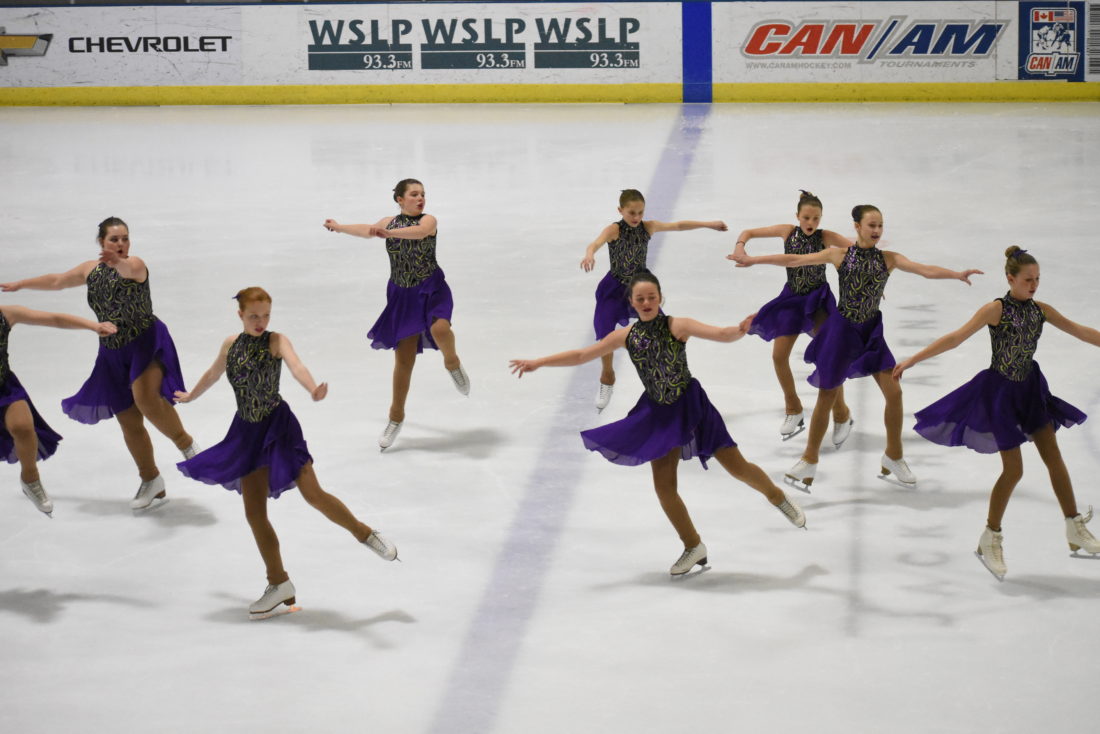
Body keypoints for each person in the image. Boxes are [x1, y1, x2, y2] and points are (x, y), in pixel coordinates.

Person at [510, 272, 805, 577]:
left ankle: (778, 497)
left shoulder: (678, 325)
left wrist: (741, 329)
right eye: (640, 298)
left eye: (652, 297)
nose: (647, 302)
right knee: (664, 488)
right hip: (659, 414)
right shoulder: (626, 336)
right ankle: (693, 545)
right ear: (631, 302)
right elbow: (583, 354)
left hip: (692, 407)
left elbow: (721, 334)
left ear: (660, 298)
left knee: (737, 467)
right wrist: (539, 362)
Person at [174, 287, 398, 620]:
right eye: (253, 316)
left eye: (265, 315)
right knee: (254, 513)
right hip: (247, 432)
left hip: (278, 429)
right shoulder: (230, 344)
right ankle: (278, 583)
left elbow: (297, 366)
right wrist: (192, 394)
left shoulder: (276, 341)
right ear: (240, 315)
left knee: (314, 494)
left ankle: (365, 533)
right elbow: (213, 373)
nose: (260, 322)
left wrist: (312, 388)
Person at [730, 205, 982, 490]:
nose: (877, 231)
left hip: (871, 333)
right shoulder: (839, 255)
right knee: (827, 395)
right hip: (842, 332)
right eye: (871, 225)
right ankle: (809, 459)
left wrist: (956, 274)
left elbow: (924, 270)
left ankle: (894, 456)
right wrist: (753, 260)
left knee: (894, 393)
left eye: (880, 226)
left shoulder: (889, 259)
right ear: (857, 227)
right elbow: (794, 259)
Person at [893, 247, 1099, 580]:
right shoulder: (996, 309)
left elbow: (1080, 331)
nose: (1034, 285)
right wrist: (912, 360)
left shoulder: (1041, 311)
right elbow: (955, 338)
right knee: (1014, 470)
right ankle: (990, 536)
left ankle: (1073, 525)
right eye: (1028, 279)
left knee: (1054, 457)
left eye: (1037, 279)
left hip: (1031, 390)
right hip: (1001, 395)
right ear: (1010, 279)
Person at [0, 217, 197, 511]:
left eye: (125, 238)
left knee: (146, 399)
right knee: (128, 420)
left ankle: (186, 445)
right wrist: (20, 284)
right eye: (114, 239)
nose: (121, 244)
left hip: (144, 342)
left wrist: (117, 261)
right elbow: (57, 281)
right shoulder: (90, 270)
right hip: (112, 351)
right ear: (101, 242)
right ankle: (151, 479)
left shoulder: (135, 264)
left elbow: (127, 268)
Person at [324, 179, 467, 450]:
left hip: (431, 288)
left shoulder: (428, 221)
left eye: (422, 194)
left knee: (439, 329)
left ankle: (452, 362)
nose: (420, 198)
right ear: (400, 199)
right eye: (414, 194)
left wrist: (388, 233)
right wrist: (340, 227)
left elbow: (420, 233)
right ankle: (396, 417)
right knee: (404, 360)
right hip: (402, 295)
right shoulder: (388, 223)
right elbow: (367, 230)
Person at [580, 188, 727, 412]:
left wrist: (708, 224)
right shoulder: (614, 230)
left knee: (661, 333)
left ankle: (667, 379)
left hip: (640, 288)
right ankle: (607, 375)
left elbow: (678, 226)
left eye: (640, 212)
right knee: (604, 333)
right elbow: (595, 243)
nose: (636, 217)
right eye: (631, 213)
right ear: (620, 210)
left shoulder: (648, 227)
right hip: (614, 289)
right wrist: (590, 254)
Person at [731, 190, 853, 441]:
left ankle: (841, 413)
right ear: (797, 216)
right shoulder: (787, 231)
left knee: (829, 356)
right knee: (779, 356)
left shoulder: (825, 237)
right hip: (792, 300)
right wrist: (740, 246)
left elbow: (857, 251)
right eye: (806, 218)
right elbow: (748, 232)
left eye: (816, 218)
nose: (811, 223)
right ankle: (793, 408)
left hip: (818, 302)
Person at [0, 304, 116, 515]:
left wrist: (92, 326)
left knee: (23, 427)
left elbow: (53, 318)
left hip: (4, 388)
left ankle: (30, 479)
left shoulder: (5, 314)